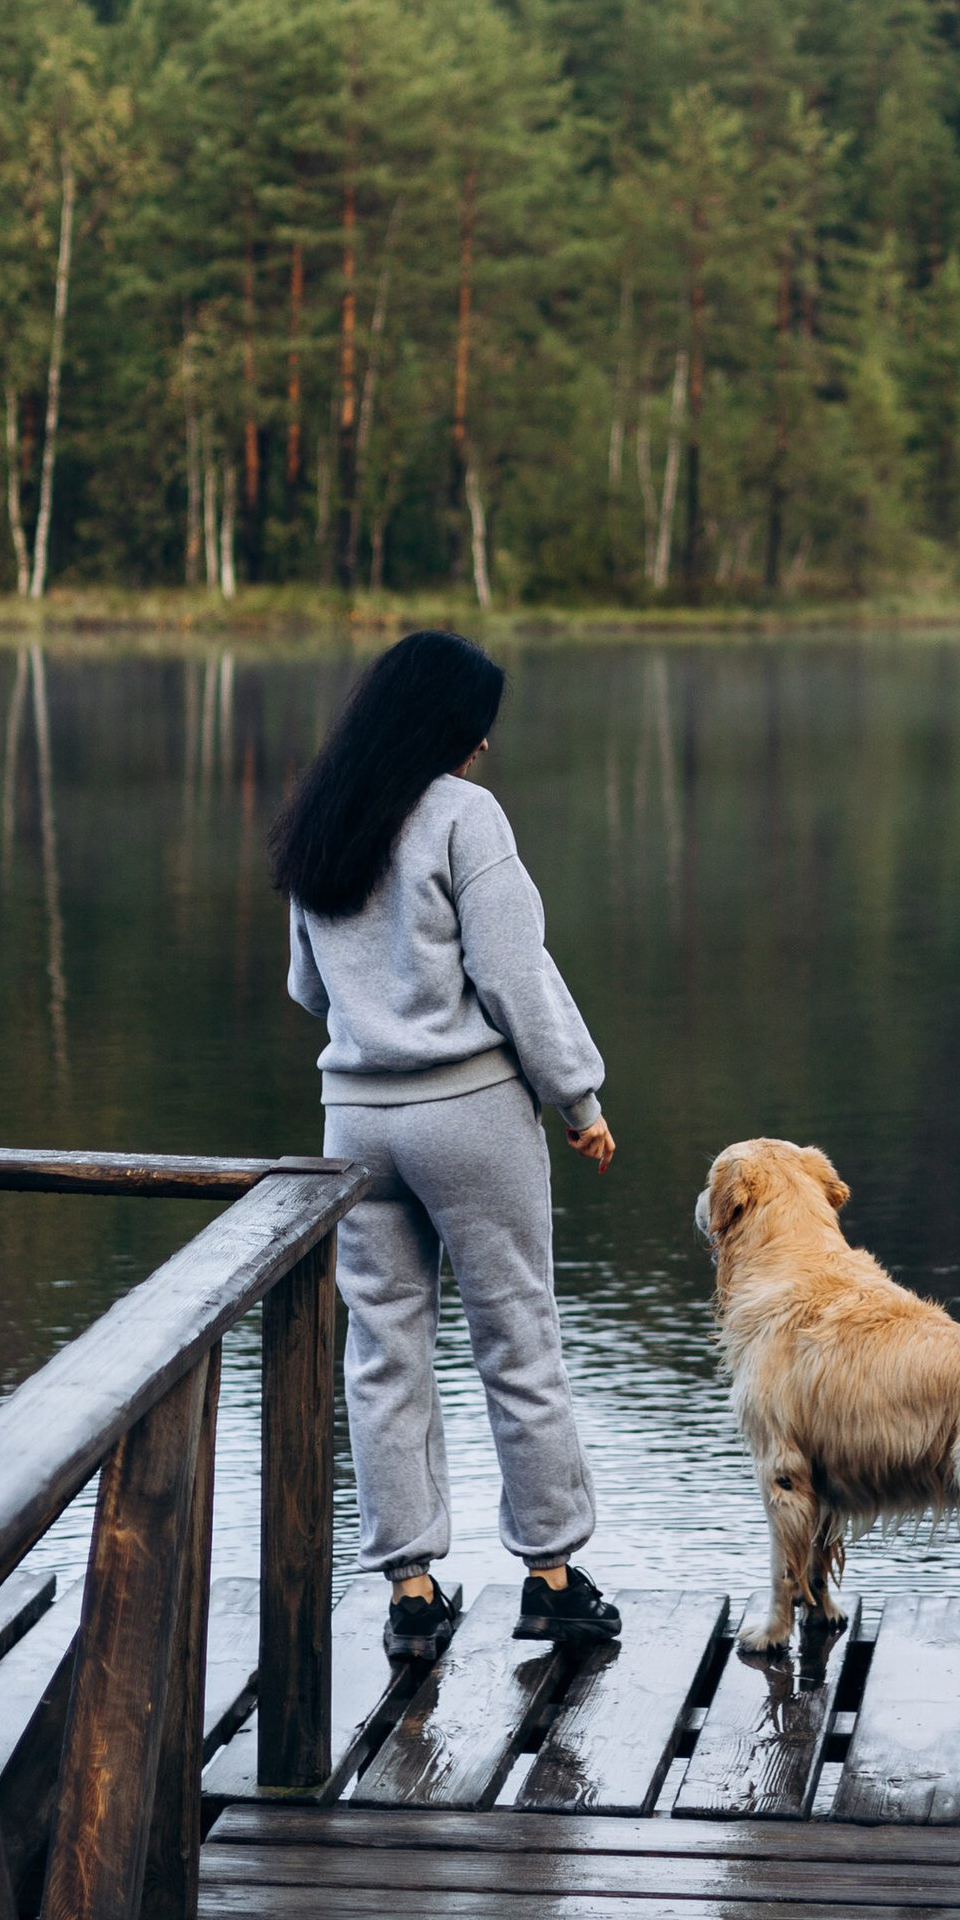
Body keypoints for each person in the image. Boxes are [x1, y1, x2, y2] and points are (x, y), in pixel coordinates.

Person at [271, 629, 621, 1661]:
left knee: (382, 1355)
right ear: (448, 727)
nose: (484, 747)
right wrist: (578, 1098)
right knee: (519, 1341)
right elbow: (513, 973)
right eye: (479, 727)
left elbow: (307, 987)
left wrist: (377, 1022)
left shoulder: (324, 810)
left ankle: (412, 1592)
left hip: (355, 1122)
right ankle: (552, 1579)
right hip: (469, 1112)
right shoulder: (466, 818)